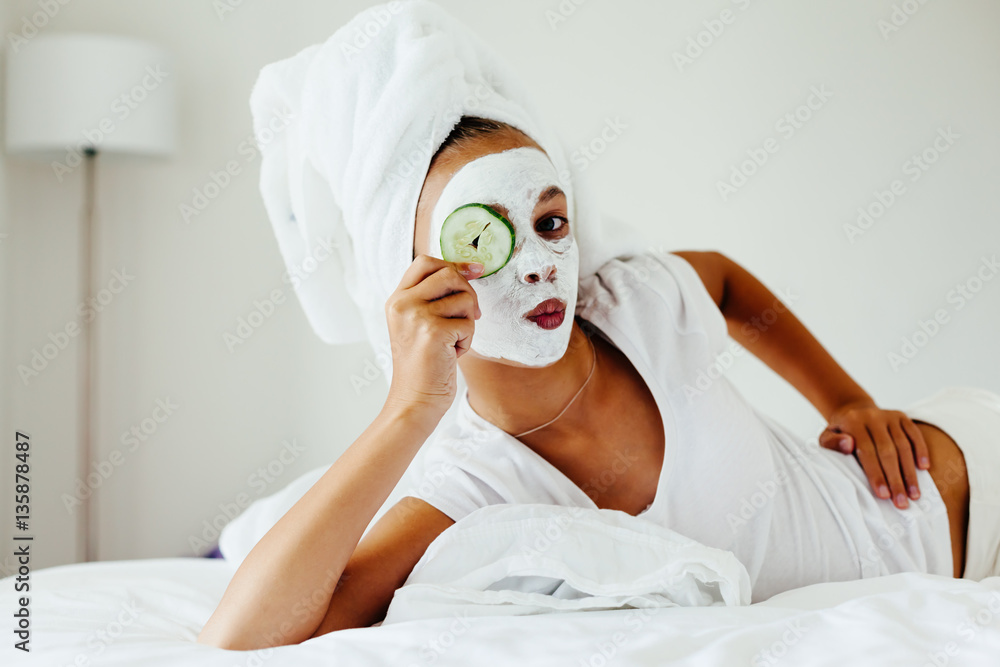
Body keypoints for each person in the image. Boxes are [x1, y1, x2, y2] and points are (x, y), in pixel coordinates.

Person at [197, 115, 998, 651]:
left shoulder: (633, 305)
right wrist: (409, 407)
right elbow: (240, 637)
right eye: (487, 236)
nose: (541, 263)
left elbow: (722, 280)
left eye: (551, 222)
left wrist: (846, 398)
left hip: (963, 467)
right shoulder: (474, 480)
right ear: (413, 278)